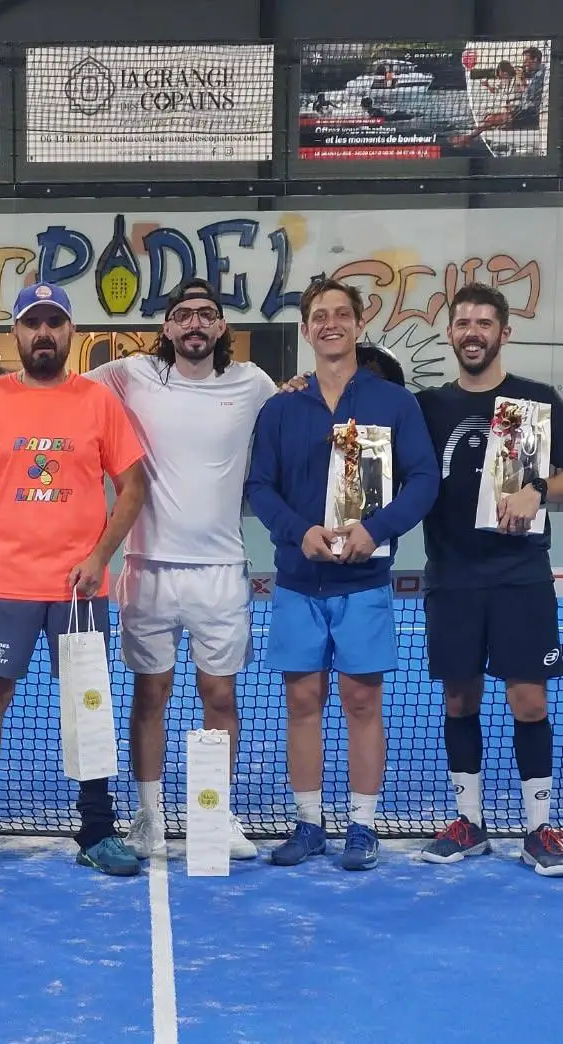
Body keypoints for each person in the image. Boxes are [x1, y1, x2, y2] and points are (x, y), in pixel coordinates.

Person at [0, 281, 146, 877]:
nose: (43, 333)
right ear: (15, 332)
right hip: (2, 584)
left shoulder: (98, 402)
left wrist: (101, 557)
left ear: (70, 333)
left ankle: (96, 831)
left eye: (54, 322)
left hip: (78, 590)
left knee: (88, 707)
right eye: (32, 323)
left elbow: (133, 488)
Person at [245, 278, 438, 871]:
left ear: (359, 324)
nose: (331, 323)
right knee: (302, 700)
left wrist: (374, 531)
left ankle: (362, 826)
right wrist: (296, 532)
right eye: (319, 316)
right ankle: (308, 824)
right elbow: (260, 487)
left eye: (341, 314)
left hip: (364, 583)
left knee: (361, 700)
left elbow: (424, 480)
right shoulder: (280, 407)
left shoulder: (395, 403)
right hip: (297, 582)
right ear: (306, 330)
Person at [85, 278, 276, 860]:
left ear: (222, 326)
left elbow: (296, 416)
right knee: (151, 694)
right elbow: (60, 391)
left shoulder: (254, 383)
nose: (195, 323)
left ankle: (213, 817)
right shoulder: (129, 374)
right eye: (184, 314)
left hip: (220, 570)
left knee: (220, 694)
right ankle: (148, 818)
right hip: (147, 569)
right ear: (167, 327)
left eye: (206, 314)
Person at [417, 283, 563, 875]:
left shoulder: (537, 400)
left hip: (520, 575)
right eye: (462, 323)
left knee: (529, 701)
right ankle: (468, 823)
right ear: (450, 333)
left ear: (505, 332)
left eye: (483, 323)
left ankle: (540, 828)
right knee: (460, 698)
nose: (472, 332)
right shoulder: (426, 407)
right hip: (452, 576)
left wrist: (538, 489)